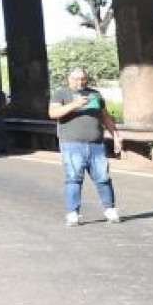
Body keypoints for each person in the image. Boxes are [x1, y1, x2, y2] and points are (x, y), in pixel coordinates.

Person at [48, 67, 120, 225]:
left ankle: (110, 209)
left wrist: (115, 136)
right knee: (74, 178)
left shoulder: (95, 94)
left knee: (103, 178)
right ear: (69, 79)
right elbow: (53, 114)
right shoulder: (61, 94)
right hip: (72, 144)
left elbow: (105, 116)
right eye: (76, 79)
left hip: (96, 144)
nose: (80, 82)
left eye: (83, 79)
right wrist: (74, 104)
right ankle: (73, 213)